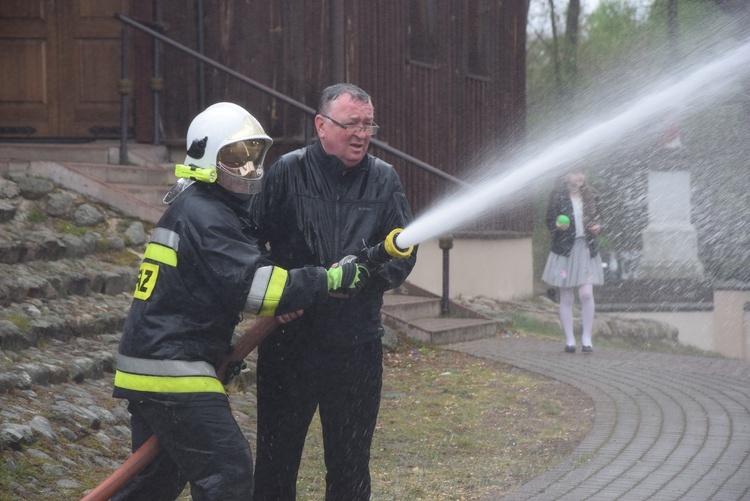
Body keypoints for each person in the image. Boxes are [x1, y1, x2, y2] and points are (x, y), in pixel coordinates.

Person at [111, 102, 367, 500]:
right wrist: (327, 278)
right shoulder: (205, 214)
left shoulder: (201, 207)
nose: (249, 169)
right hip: (171, 365)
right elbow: (256, 287)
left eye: (253, 157)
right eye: (236, 158)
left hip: (156, 360)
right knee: (227, 469)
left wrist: (286, 297)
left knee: (156, 481)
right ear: (207, 159)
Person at [251, 83, 417, 500]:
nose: (362, 133)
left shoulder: (384, 179)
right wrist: (279, 294)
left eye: (368, 124)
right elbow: (249, 242)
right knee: (275, 461)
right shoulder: (287, 171)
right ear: (321, 125)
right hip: (290, 343)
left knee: (350, 466)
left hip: (355, 345)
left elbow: (404, 252)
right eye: (352, 124)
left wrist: (366, 282)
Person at [541, 168, 604, 354]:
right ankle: (570, 340)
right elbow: (549, 220)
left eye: (583, 172)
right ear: (566, 175)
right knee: (567, 296)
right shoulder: (557, 196)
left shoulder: (593, 195)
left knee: (586, 294)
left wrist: (598, 227)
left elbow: (602, 220)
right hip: (564, 252)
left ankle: (586, 338)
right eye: (576, 172)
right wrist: (557, 226)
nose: (581, 177)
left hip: (586, 250)